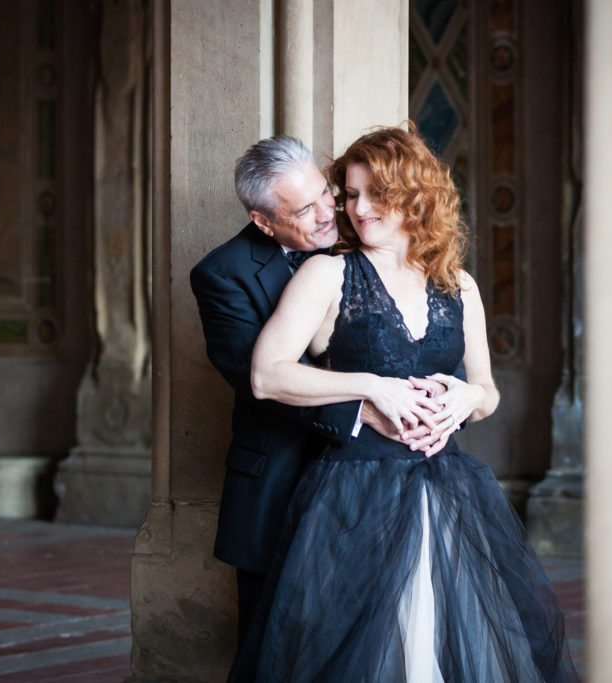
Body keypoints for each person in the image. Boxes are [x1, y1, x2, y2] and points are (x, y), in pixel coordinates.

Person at [231, 126, 578, 682]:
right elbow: (267, 376)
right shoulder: (330, 273)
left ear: (415, 196)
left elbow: (488, 393)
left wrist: (466, 395)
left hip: (449, 494)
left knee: (444, 647)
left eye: (375, 194)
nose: (357, 208)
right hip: (353, 494)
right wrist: (370, 385)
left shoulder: (458, 285)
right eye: (348, 193)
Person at [189, 136, 452, 655]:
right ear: (264, 221)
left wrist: (441, 403)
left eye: (326, 194)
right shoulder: (223, 275)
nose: (329, 213)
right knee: (278, 647)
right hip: (279, 479)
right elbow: (258, 381)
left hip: (373, 484)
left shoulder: (361, 237)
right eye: (304, 209)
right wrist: (367, 408)